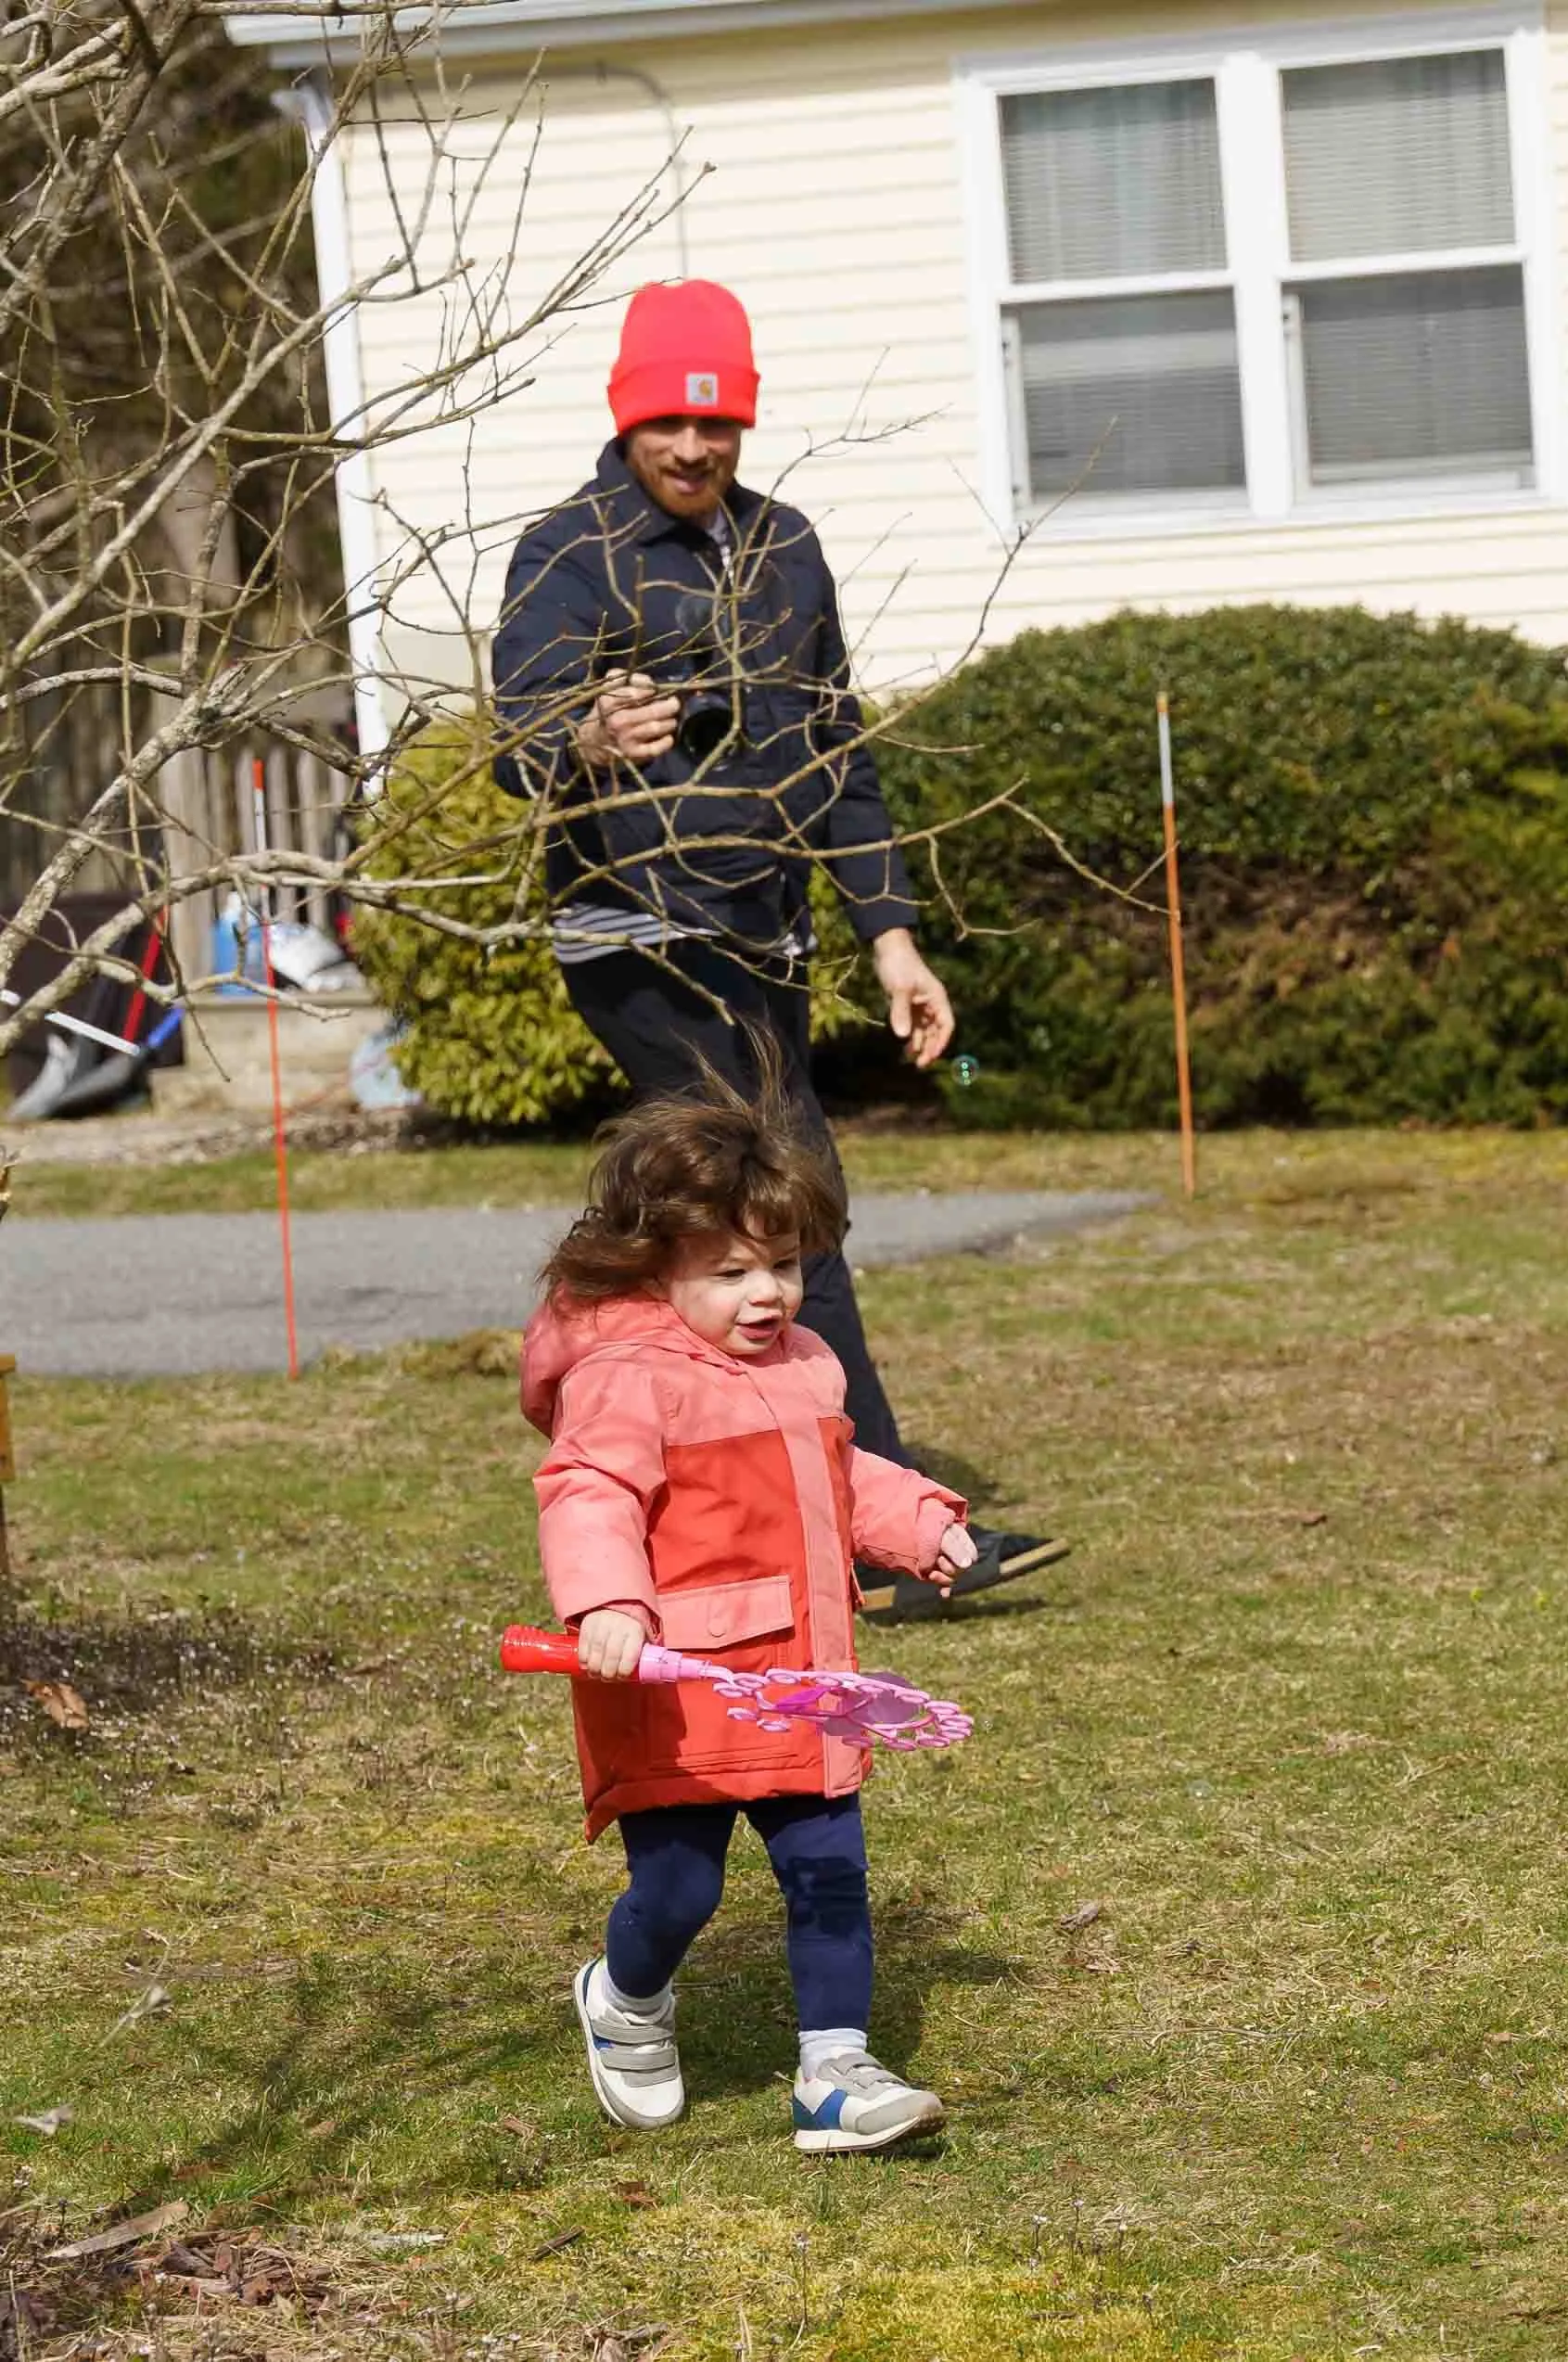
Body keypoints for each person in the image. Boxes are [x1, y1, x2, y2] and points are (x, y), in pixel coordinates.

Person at [494, 276, 1063, 1620]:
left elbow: (834, 754)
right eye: (669, 425)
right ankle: (885, 1527)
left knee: (716, 1216)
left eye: (720, 425)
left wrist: (892, 938)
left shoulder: (783, 549)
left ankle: (672, 1449)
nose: (695, 449)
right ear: (626, 418)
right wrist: (585, 736)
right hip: (637, 935)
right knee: (789, 1200)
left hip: (764, 932)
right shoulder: (570, 552)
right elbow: (516, 739)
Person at [520, 1057, 972, 2150]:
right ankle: (625, 1998)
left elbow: (838, 1473)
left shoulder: (805, 1364)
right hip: (678, 1690)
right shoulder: (629, 1375)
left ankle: (834, 2072)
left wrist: (919, 1522)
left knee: (830, 1874)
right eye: (730, 1272)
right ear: (653, 1269)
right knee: (679, 1891)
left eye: (781, 1265)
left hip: (806, 1680)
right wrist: (607, 1604)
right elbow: (590, 1490)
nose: (766, 1293)